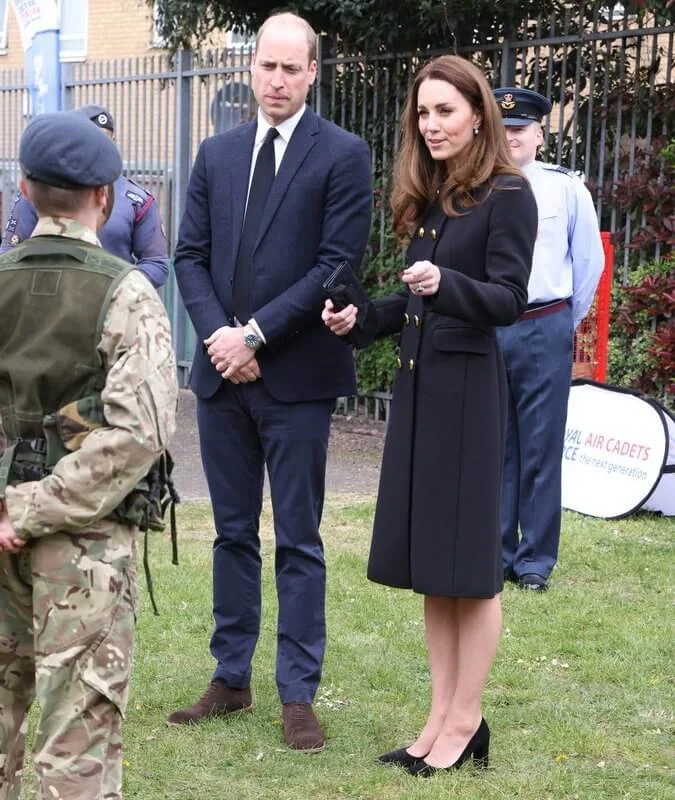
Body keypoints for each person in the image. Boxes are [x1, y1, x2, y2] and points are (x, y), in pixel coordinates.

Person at [324, 55, 537, 776]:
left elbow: (507, 299)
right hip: (423, 398)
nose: (431, 124)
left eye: (444, 110)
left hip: (469, 400)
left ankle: (465, 720)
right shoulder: (437, 197)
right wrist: (360, 318)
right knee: (435, 570)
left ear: (477, 112)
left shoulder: (508, 194)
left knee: (469, 573)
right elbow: (414, 302)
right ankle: (439, 718)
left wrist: (447, 282)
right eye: (422, 113)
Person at [168, 12, 372, 751]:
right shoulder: (216, 153)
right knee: (229, 532)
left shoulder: (343, 154)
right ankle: (231, 676)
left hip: (298, 379)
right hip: (223, 380)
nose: (277, 80)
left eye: (291, 68)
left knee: (298, 538)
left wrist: (253, 335)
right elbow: (189, 256)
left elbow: (334, 264)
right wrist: (223, 339)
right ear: (250, 68)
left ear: (313, 71)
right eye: (266, 66)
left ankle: (297, 692)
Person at [0, 111, 177, 799]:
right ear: (106, 195)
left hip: (5, 526)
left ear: (24, 188)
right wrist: (35, 508)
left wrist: (10, 508)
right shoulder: (126, 291)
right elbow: (138, 432)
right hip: (83, 545)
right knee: (78, 727)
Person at [493, 87, 604, 592]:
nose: (511, 137)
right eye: (504, 128)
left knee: (539, 445)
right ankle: (495, 551)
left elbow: (588, 266)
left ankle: (535, 561)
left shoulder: (565, 189)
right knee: (495, 445)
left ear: (540, 133)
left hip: (544, 324)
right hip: (490, 326)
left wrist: (562, 319)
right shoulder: (478, 186)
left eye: (520, 129)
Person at [0, 103, 170, 289]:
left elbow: (156, 263)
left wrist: (115, 289)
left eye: (107, 141)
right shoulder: (44, 190)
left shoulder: (137, 200)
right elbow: (10, 251)